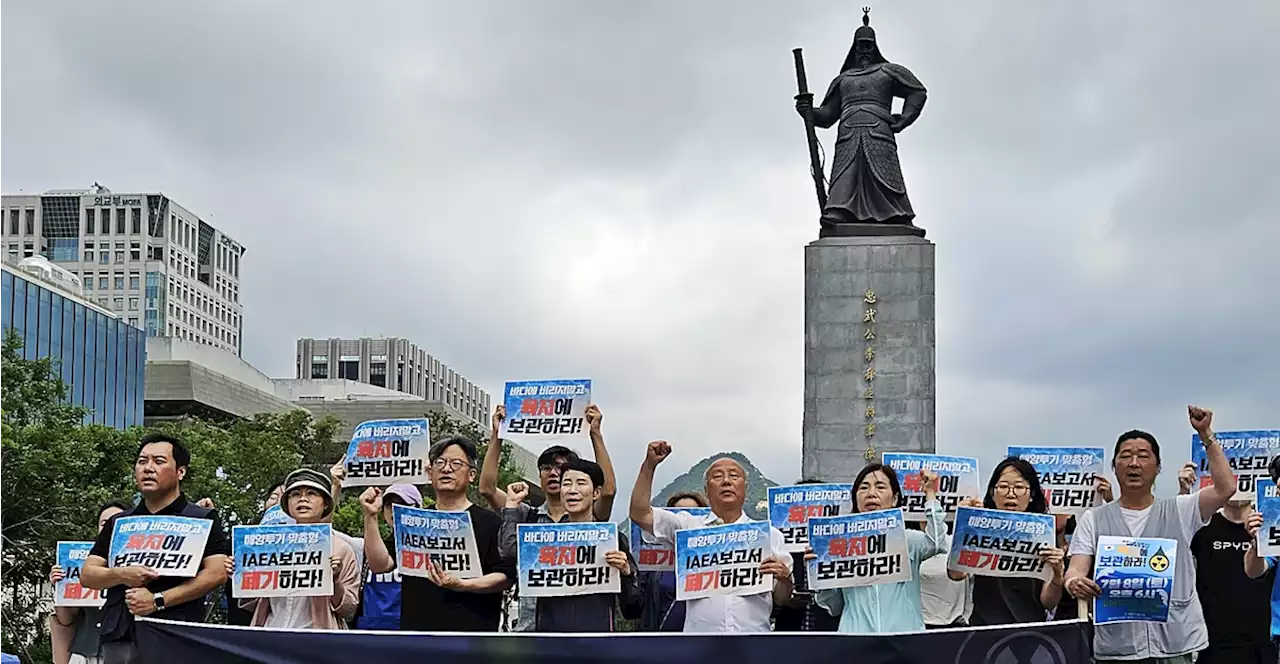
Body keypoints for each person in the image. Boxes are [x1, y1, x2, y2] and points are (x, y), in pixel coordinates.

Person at [1065, 406, 1236, 664]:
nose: (1134, 463)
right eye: (1125, 456)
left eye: (1143, 456)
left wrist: (1206, 434)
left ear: (1158, 467)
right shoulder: (1094, 518)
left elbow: (1226, 488)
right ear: (1114, 466)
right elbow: (1075, 569)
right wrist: (1074, 582)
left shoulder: (1181, 509)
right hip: (1118, 649)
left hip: (1174, 645)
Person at [81, 434, 228, 664]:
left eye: (159, 461)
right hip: (121, 634)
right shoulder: (120, 522)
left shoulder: (201, 519)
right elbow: (89, 574)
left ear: (181, 472)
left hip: (177, 635)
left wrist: (158, 600)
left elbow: (217, 573)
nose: (148, 468)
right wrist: (121, 574)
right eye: (142, 461)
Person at [629, 441, 793, 633]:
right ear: (706, 491)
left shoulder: (770, 536)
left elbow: (782, 598)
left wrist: (785, 579)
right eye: (717, 476)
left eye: (734, 476)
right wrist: (649, 466)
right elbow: (640, 513)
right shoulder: (688, 528)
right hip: (700, 644)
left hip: (753, 640)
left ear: (745, 489)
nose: (726, 481)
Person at [482, 403, 618, 630]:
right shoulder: (527, 515)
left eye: (560, 468)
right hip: (530, 626)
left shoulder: (590, 518)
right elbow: (487, 489)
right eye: (546, 468)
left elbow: (608, 490)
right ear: (539, 475)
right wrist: (498, 435)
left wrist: (596, 434)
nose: (553, 473)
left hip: (576, 627)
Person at [363, 436, 515, 631]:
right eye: (439, 463)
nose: (446, 469)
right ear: (430, 473)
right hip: (418, 636)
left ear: (472, 475)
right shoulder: (414, 520)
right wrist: (370, 517)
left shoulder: (491, 521)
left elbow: (505, 577)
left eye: (456, 463)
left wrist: (463, 585)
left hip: (473, 636)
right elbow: (380, 565)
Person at [502, 459, 642, 631]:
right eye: (567, 484)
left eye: (581, 483)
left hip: (598, 645)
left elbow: (633, 609)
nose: (572, 490)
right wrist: (511, 506)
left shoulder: (611, 539)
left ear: (596, 493)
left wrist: (627, 573)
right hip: (549, 643)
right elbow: (509, 551)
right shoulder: (544, 539)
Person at [810, 463, 945, 633]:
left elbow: (937, 543)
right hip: (856, 642)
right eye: (864, 488)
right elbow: (833, 605)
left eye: (880, 487)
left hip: (905, 640)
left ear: (894, 498)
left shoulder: (907, 539)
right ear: (855, 499)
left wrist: (930, 495)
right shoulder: (838, 545)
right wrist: (820, 571)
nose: (871, 494)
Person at [228, 468, 360, 629]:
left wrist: (335, 580)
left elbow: (349, 609)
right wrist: (240, 574)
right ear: (287, 505)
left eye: (311, 493)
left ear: (325, 504)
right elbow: (252, 604)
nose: (302, 499)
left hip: (317, 640)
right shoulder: (268, 545)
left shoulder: (341, 549)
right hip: (272, 634)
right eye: (295, 494)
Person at [946, 457, 1066, 625]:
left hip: (1030, 631)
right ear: (992, 493)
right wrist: (964, 525)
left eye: (1019, 487)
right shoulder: (979, 528)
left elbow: (1048, 602)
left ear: (1031, 495)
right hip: (984, 630)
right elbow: (956, 574)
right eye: (1003, 487)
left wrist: (1057, 576)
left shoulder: (1045, 533)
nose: (1011, 493)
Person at [1203, 465, 1277, 663]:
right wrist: (1256, 545)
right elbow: (1255, 570)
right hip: (1215, 641)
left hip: (1261, 641)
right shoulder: (1270, 525)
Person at [49, 501, 130, 664]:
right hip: (83, 653)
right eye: (104, 523)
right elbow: (66, 620)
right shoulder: (80, 561)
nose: (109, 527)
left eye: (116, 521)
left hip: (122, 653)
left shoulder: (140, 563)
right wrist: (59, 587)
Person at [773, 479, 840, 632]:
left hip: (830, 636)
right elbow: (766, 603)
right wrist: (785, 598)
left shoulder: (838, 552)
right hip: (790, 634)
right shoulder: (781, 549)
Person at [638, 492, 707, 632]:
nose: (685, 521)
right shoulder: (652, 569)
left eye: (692, 516)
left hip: (701, 638)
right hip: (662, 642)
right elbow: (634, 606)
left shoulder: (715, 566)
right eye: (678, 517)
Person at [918, 521, 971, 629]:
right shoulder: (909, 543)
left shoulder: (958, 541)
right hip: (919, 623)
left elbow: (960, 575)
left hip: (956, 624)